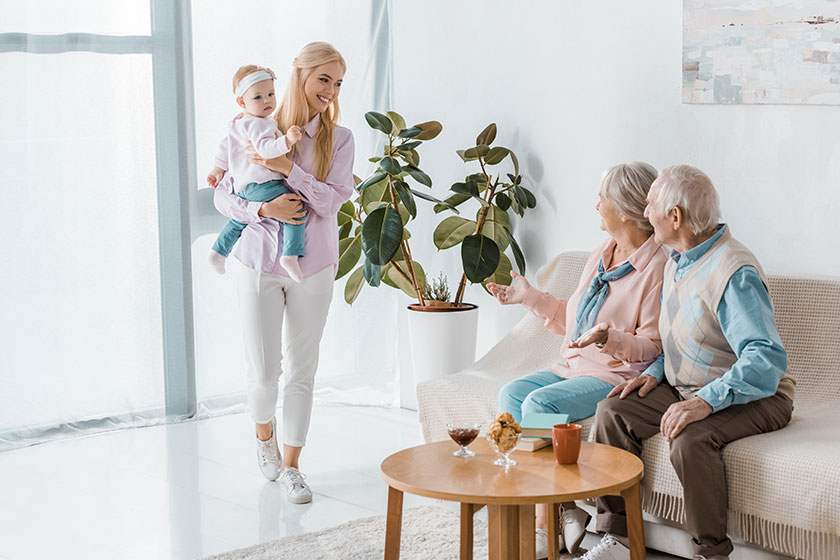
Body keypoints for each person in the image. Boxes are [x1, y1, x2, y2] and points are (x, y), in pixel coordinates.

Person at [579, 165, 795, 560]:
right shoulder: (680, 258)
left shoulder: (733, 271)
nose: (645, 214)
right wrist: (654, 373)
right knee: (612, 411)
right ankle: (617, 539)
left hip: (757, 396)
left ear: (674, 217)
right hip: (688, 385)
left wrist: (704, 402)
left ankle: (710, 553)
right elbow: (683, 335)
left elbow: (765, 360)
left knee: (690, 439)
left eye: (650, 206)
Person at [487, 162, 668, 557]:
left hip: (615, 373)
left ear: (622, 209)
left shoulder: (657, 267)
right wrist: (530, 298)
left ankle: (542, 521)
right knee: (512, 394)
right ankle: (563, 508)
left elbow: (653, 347)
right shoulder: (601, 254)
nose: (596, 204)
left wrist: (610, 340)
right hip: (572, 365)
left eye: (602, 197)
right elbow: (575, 320)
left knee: (540, 404)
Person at [213, 42, 354, 504]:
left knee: (301, 371)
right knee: (263, 374)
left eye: (337, 83)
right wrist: (261, 207)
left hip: (312, 267)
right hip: (256, 260)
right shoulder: (253, 124)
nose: (330, 91)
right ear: (300, 76)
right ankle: (262, 433)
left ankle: (293, 467)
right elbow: (223, 196)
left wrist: (287, 169)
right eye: (324, 80)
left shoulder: (341, 139)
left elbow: (331, 203)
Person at [207, 64, 305, 281]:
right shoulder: (260, 124)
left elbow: (225, 149)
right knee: (296, 210)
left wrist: (217, 170)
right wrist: (287, 140)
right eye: (258, 97)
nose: (267, 101)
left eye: (271, 94)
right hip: (265, 185)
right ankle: (290, 255)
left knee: (237, 221)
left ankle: (218, 252)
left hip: (244, 188)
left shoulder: (237, 124)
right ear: (242, 102)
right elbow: (265, 150)